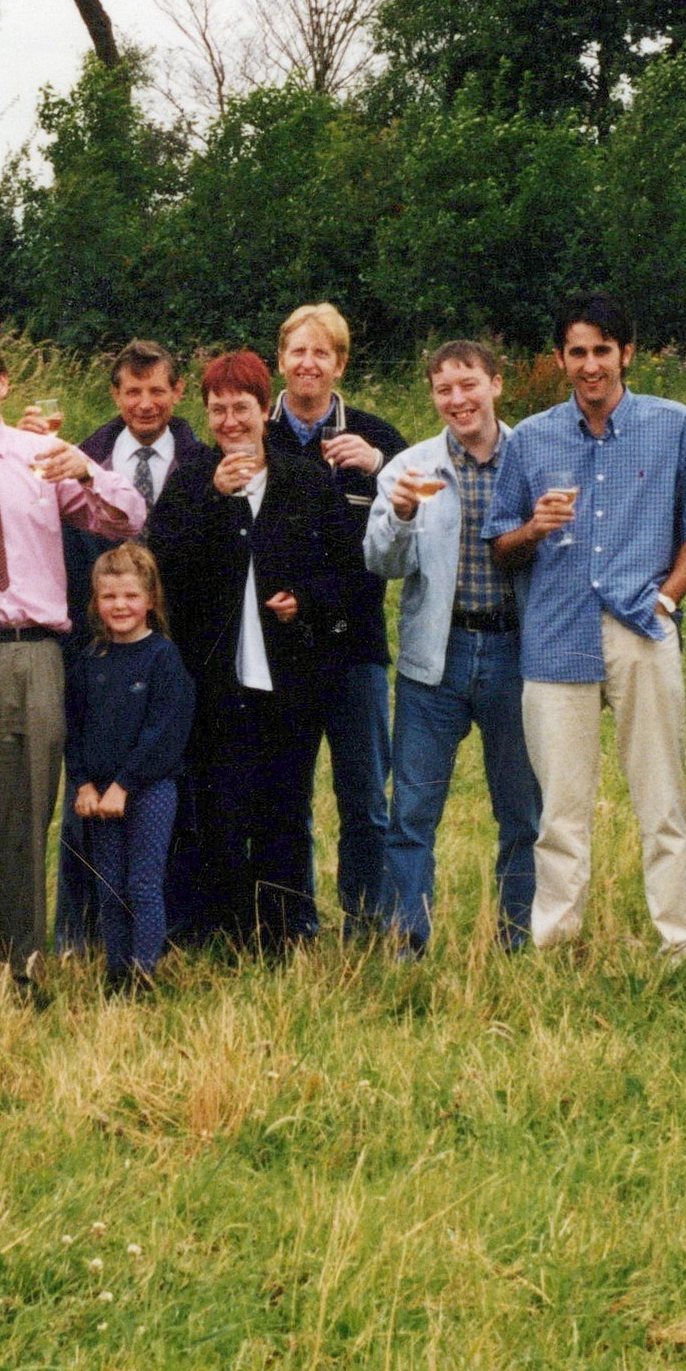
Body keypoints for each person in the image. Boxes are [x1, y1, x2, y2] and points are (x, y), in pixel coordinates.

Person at [485, 294, 686, 960]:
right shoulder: (533, 438)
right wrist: (532, 529)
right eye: (578, 351)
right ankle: (555, 941)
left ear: (627, 353)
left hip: (640, 630)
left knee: (662, 801)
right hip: (555, 634)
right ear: (561, 359)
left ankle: (679, 942)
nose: (591, 364)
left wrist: (667, 600)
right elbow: (499, 544)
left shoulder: (675, 426)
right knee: (561, 810)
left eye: (603, 350)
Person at [0, 326, 145, 994]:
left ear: (4, 383)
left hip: (31, 654)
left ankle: (23, 968)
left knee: (24, 811)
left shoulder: (46, 456)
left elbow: (126, 519)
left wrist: (89, 471)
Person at [145, 350, 363, 952]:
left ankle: (283, 931)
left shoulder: (304, 479)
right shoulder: (191, 478)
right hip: (212, 676)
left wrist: (306, 602)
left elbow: (346, 571)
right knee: (213, 803)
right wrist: (213, 501)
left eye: (241, 408)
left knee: (283, 805)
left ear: (265, 410)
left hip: (289, 676)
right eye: (218, 409)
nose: (230, 421)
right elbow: (159, 566)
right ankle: (215, 927)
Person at [363, 340, 541, 956]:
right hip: (434, 658)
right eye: (444, 390)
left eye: (469, 385)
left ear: (497, 383)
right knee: (412, 812)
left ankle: (516, 938)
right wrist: (403, 516)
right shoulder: (408, 467)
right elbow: (379, 562)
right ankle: (407, 939)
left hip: (516, 652)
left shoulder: (536, 456)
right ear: (433, 397)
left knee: (522, 811)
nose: (458, 400)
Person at [29, 340, 205, 954]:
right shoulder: (84, 454)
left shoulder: (200, 460)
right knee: (88, 804)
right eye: (132, 391)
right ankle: (80, 936)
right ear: (115, 395)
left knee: (167, 797)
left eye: (158, 390)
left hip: (178, 649)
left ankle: (166, 934)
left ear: (178, 392)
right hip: (97, 643)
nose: (146, 403)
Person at [261, 301, 409, 936]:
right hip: (276, 648)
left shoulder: (379, 439)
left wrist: (378, 469)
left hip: (355, 649)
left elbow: (419, 525)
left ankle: (366, 922)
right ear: (280, 360)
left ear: (341, 364)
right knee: (284, 797)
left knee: (364, 800)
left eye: (322, 352)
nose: (308, 363)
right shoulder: (251, 434)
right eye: (298, 351)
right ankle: (291, 922)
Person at [62, 542, 197, 989]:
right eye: (109, 597)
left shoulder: (163, 657)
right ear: (95, 603)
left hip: (149, 790)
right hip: (100, 795)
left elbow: (164, 733)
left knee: (142, 883)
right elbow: (74, 728)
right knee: (110, 886)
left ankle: (144, 973)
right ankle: (115, 974)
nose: (120, 606)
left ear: (151, 601)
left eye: (131, 596)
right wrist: (83, 784)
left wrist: (125, 783)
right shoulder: (89, 660)